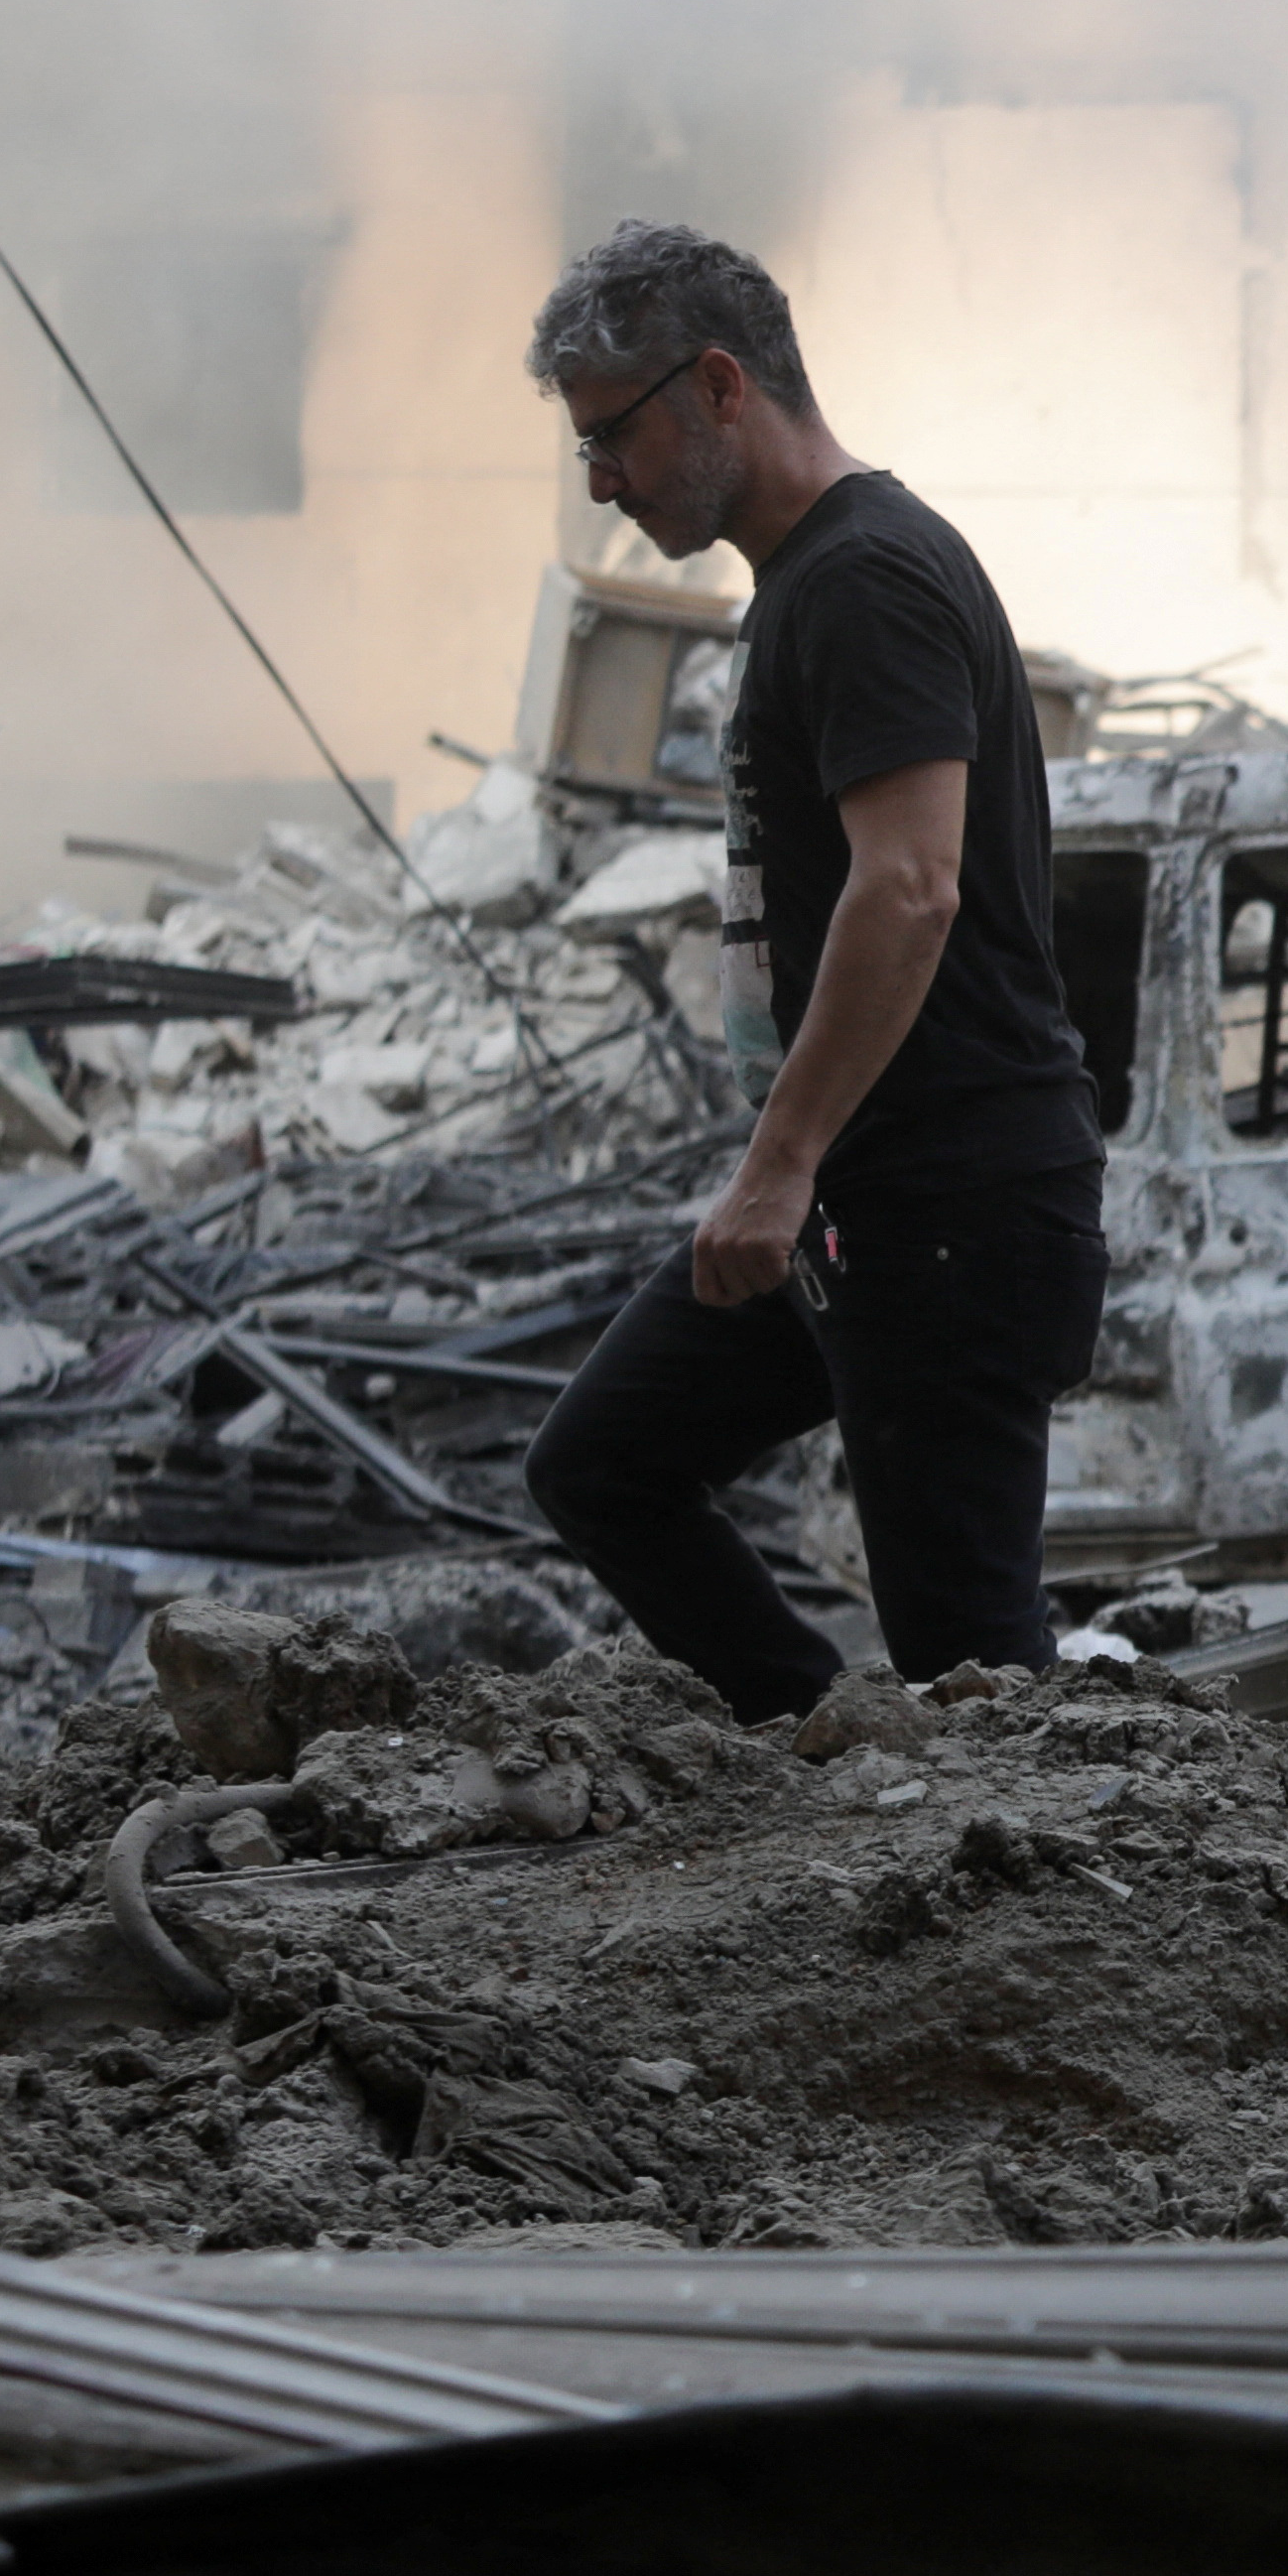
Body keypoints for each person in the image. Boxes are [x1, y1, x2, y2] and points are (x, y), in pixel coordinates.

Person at [514, 221, 1110, 1722]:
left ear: (720, 386)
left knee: (974, 1673)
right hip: (866, 1199)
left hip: (949, 1208)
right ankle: (828, 1751)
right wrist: (796, 1172)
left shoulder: (863, 579)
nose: (601, 481)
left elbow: (909, 885)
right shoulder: (804, 582)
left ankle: (1018, 1897)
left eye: (613, 438)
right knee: (603, 1461)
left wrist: (777, 1164)